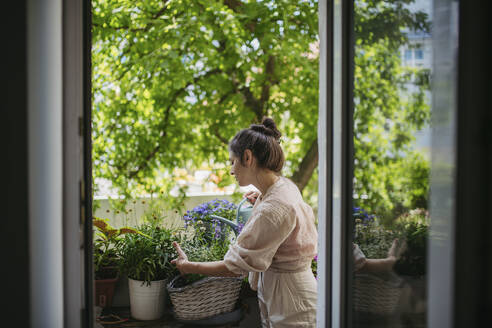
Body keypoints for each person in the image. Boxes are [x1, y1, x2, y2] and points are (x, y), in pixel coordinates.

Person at [171, 117, 318, 327]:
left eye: (233, 161)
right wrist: (260, 198)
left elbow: (234, 267)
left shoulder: (273, 207)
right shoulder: (281, 188)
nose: (231, 170)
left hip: (292, 301)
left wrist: (189, 266)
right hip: (290, 293)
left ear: (247, 157)